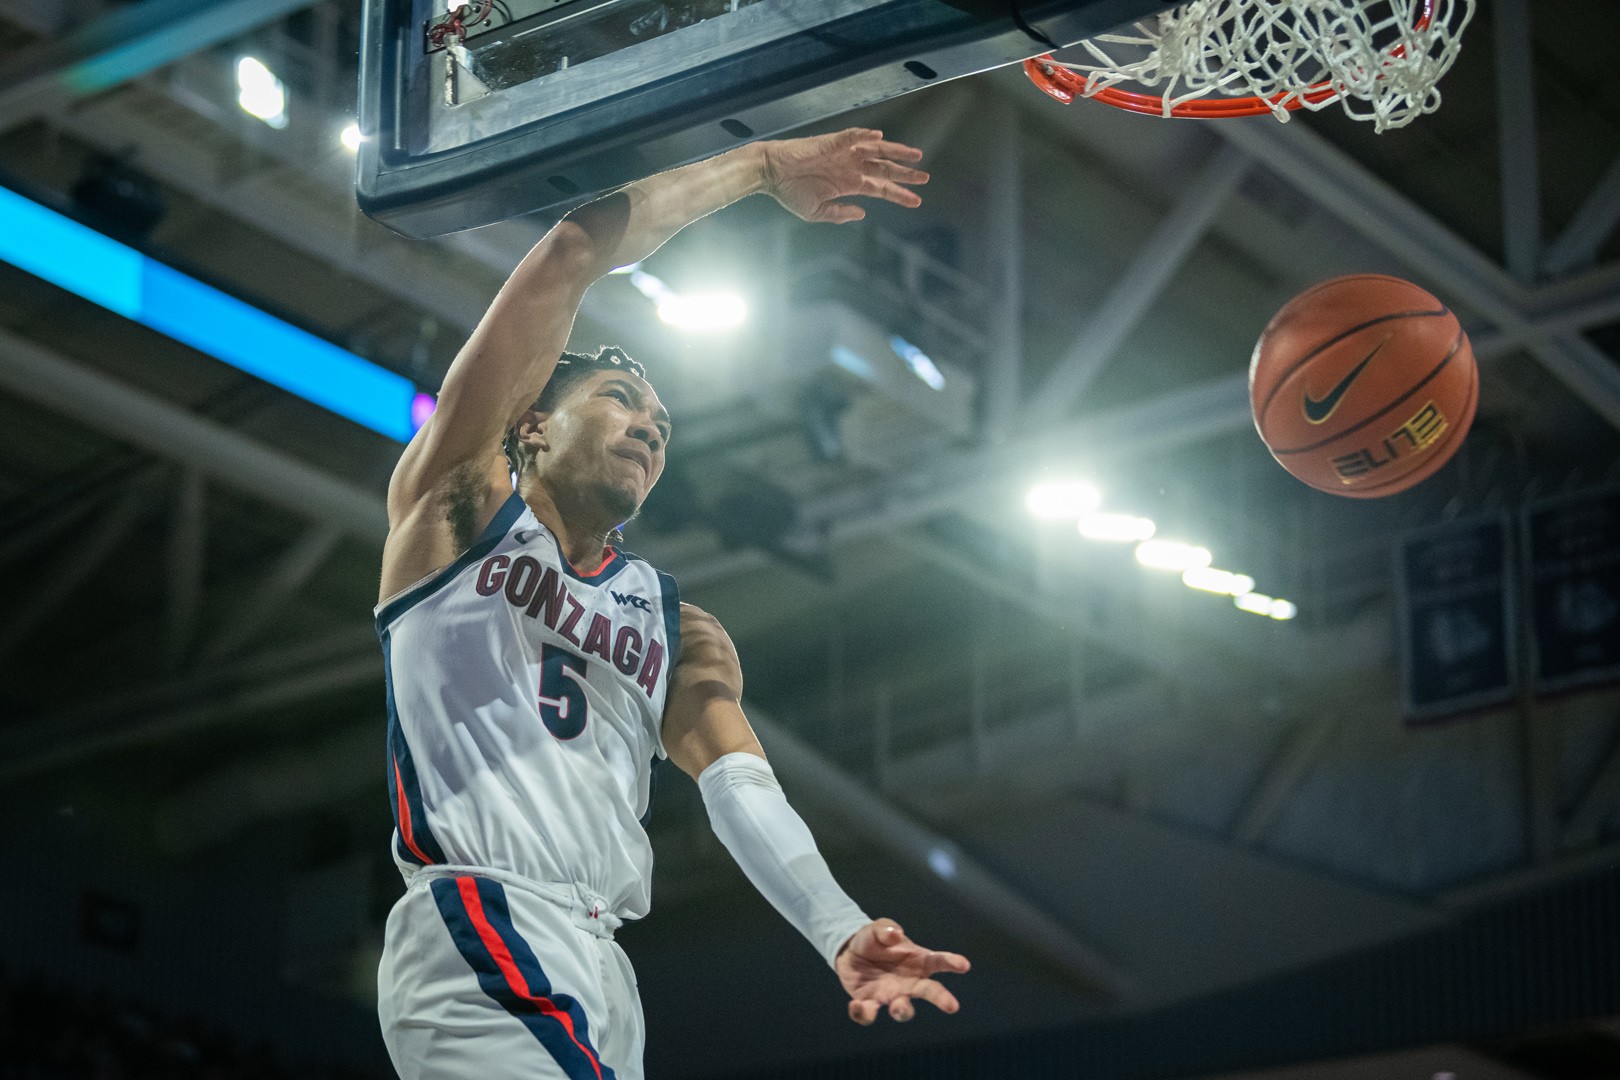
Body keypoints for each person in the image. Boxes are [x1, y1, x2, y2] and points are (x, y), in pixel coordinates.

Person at [373, 129, 971, 1080]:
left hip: (607, 964)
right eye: (620, 399)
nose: (649, 426)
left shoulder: (673, 621)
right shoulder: (457, 507)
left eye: (662, 423)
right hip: (480, 920)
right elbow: (575, 252)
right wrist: (763, 165)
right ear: (533, 423)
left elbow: (742, 790)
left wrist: (838, 927)